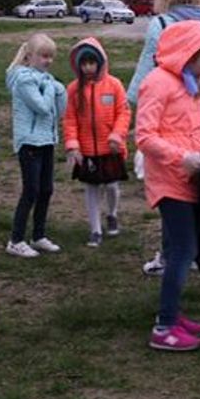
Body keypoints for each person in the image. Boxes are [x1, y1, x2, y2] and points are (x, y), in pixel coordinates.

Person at [136, 21, 200, 352]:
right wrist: (183, 158)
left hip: (189, 179)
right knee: (182, 251)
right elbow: (145, 137)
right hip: (169, 181)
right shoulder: (157, 84)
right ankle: (164, 327)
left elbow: (190, 127)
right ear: (186, 54)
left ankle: (173, 314)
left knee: (185, 249)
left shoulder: (191, 84)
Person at [127, 0, 200, 276]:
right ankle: (188, 250)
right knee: (191, 190)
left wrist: (132, 104)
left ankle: (172, 253)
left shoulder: (161, 24)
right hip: (199, 117)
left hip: (166, 121)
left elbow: (147, 74)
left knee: (169, 190)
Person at [4, 33, 67, 258]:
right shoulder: (24, 80)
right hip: (29, 142)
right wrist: (52, 87)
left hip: (47, 140)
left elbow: (58, 111)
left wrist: (60, 91)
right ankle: (16, 240)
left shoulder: (45, 80)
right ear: (30, 56)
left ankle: (38, 236)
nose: (48, 61)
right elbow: (41, 107)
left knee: (46, 189)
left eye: (51, 57)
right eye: (43, 56)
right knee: (30, 190)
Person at [64, 37, 130, 248]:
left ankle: (111, 213)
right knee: (91, 189)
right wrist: (73, 145)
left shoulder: (114, 85)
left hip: (110, 148)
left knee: (111, 186)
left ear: (101, 62)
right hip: (87, 151)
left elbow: (124, 112)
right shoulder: (73, 90)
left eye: (92, 63)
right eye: (84, 64)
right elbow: (70, 119)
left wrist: (117, 135)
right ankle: (95, 230)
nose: (88, 68)